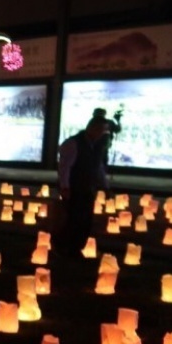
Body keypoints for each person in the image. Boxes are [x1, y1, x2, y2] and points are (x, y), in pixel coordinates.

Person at [56, 110, 114, 258]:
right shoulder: (73, 143)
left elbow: (98, 167)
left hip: (88, 188)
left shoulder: (96, 146)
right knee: (74, 219)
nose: (103, 133)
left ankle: (75, 248)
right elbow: (64, 167)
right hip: (74, 188)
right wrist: (65, 186)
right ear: (92, 128)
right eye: (101, 130)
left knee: (86, 220)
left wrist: (105, 186)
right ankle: (64, 247)